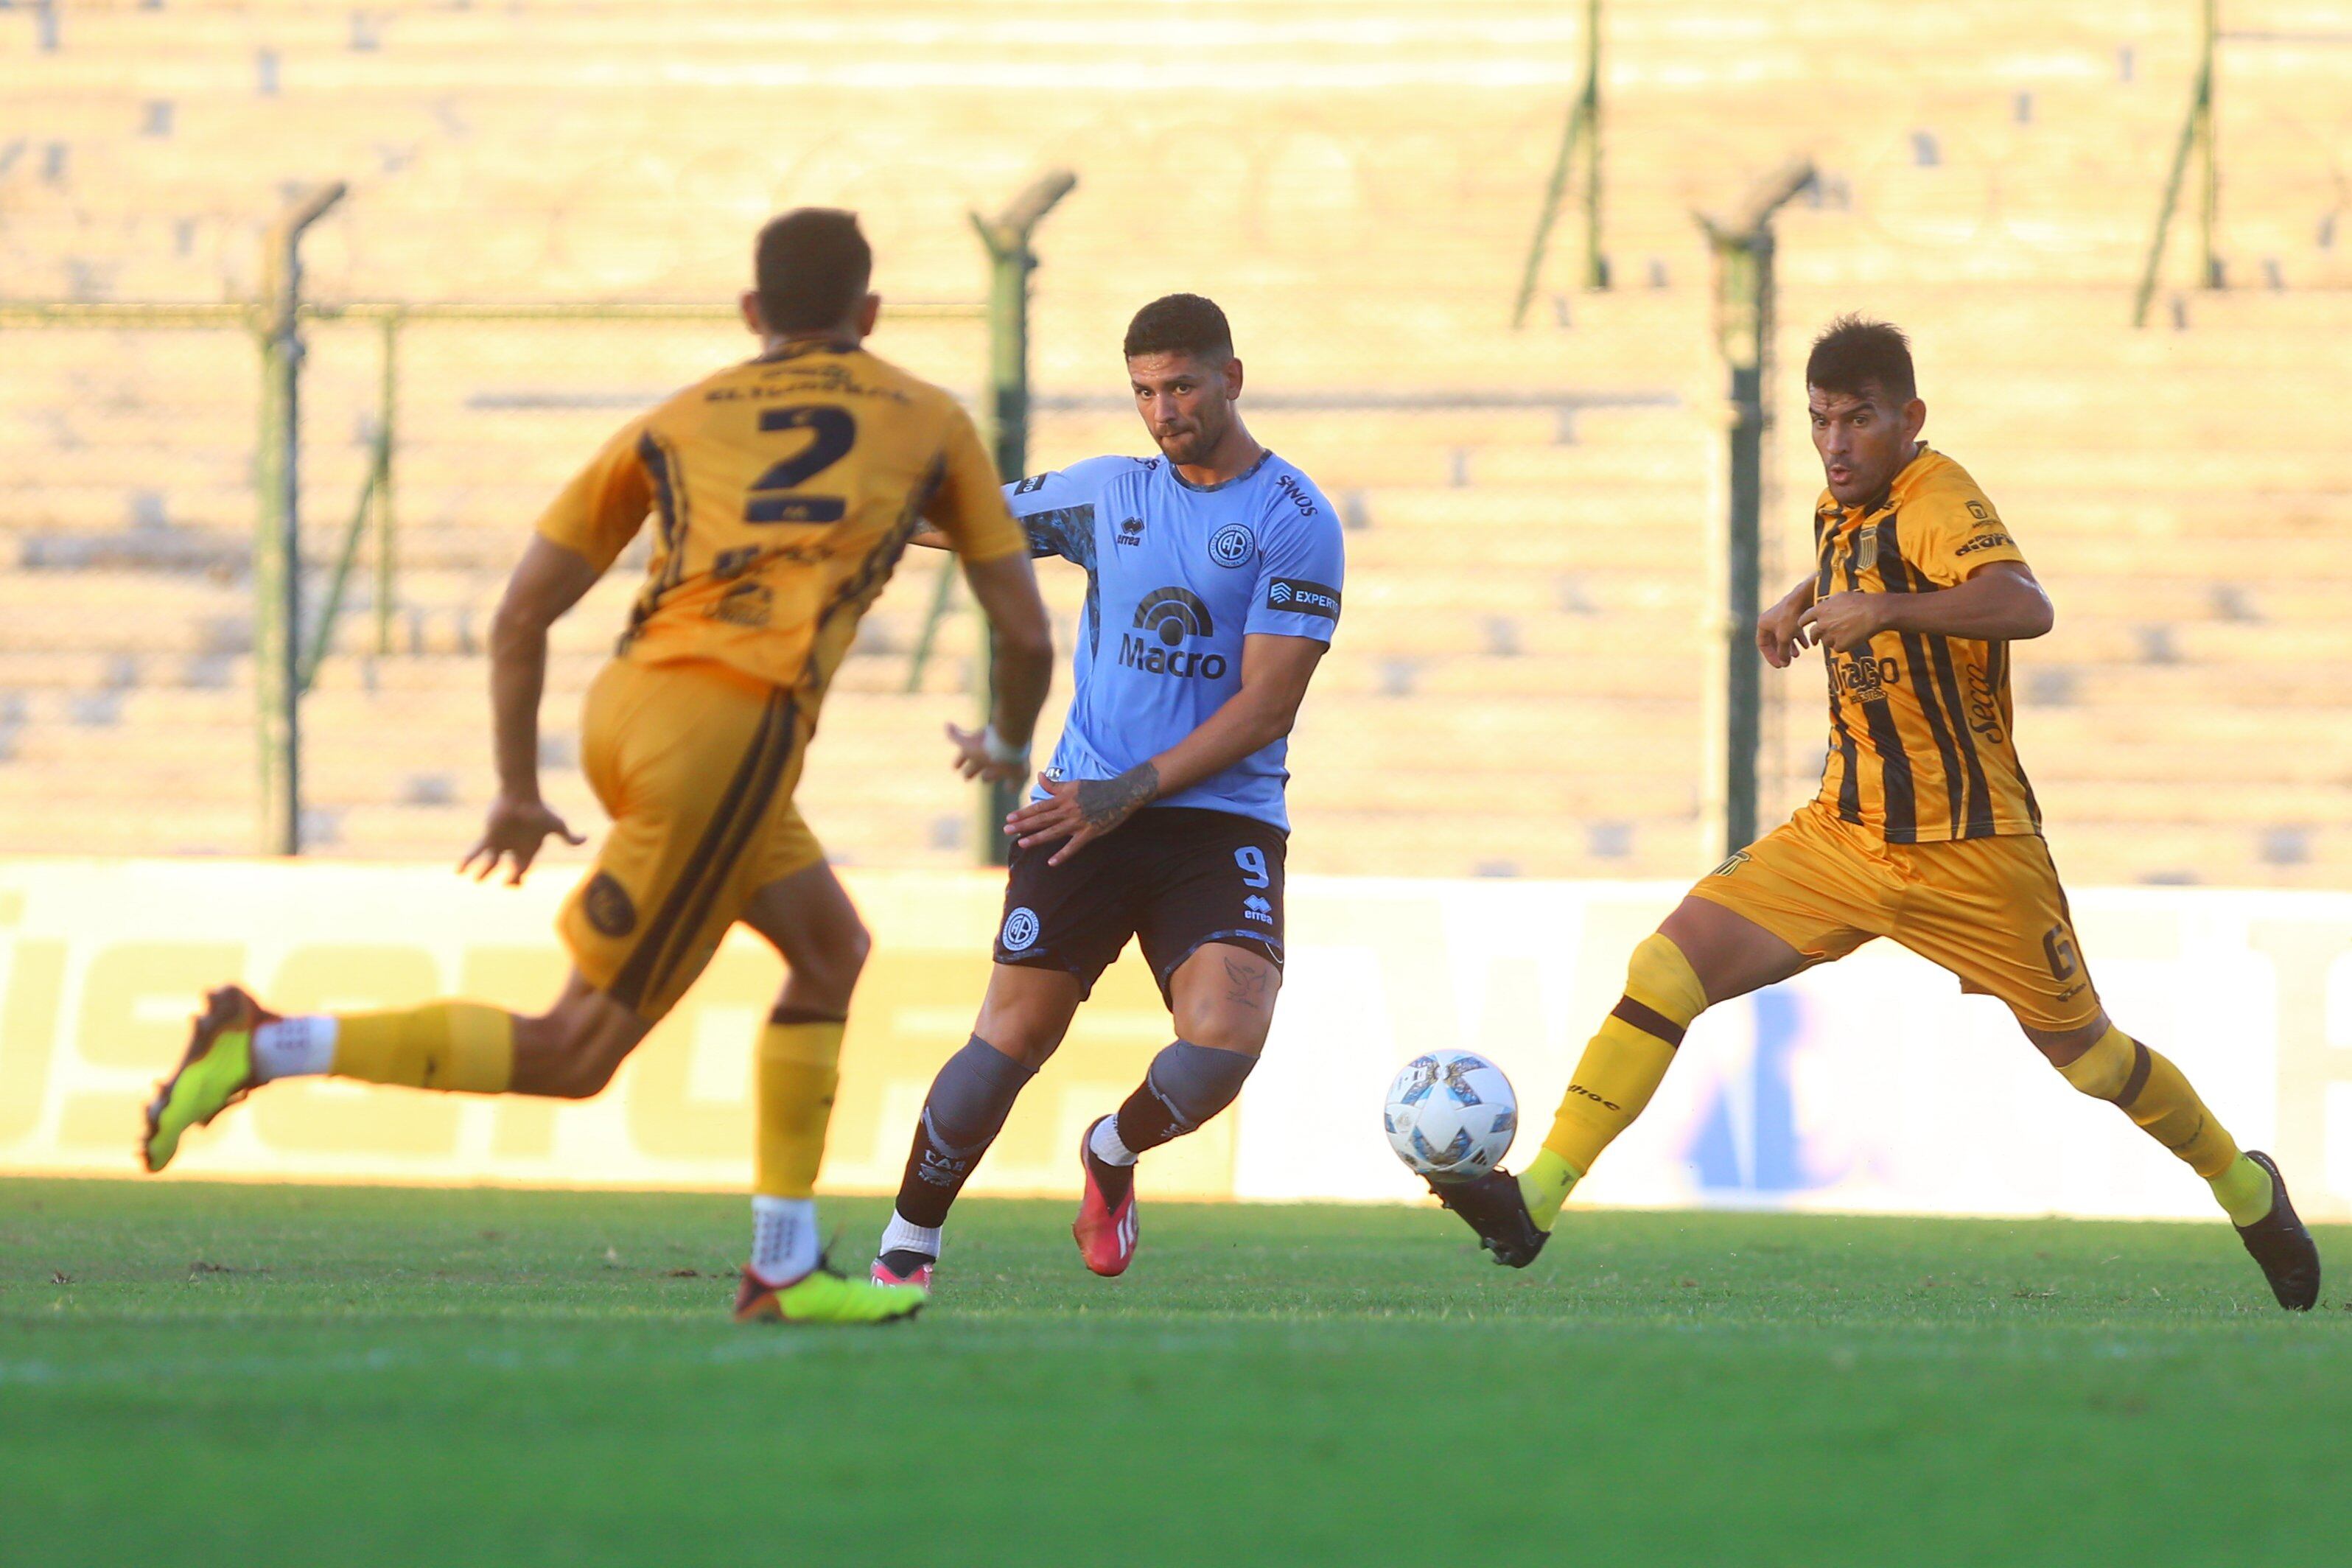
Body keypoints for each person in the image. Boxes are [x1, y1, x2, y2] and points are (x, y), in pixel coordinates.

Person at [139, 209, 1055, 1326]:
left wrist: (520, 788)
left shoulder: (677, 419)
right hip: (735, 729)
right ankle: (265, 1042)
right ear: (870, 315)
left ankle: (783, 1261)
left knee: (829, 949)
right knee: (575, 1051)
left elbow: (520, 614)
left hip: (631, 708)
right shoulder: (927, 420)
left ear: (751, 314)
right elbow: (1025, 633)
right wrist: (1008, 744)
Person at [1431, 315, 2321, 1312]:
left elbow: (2025, 604)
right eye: (1821, 421)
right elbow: (1866, 560)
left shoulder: (1942, 495)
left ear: (1912, 419)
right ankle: (1535, 1203)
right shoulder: (1842, 507)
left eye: (1858, 420)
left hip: (1974, 850)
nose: (1837, 442)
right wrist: (1801, 597)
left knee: (2094, 1061)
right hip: (1845, 833)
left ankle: (2247, 1191)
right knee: (1664, 967)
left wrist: (1886, 612)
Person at [870, 293, 1344, 1287]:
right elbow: (964, 522)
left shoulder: (1293, 520)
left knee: (1222, 1046)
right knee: (1011, 1037)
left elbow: (1265, 708)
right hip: (1082, 807)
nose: (1164, 410)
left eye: (1180, 387)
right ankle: (908, 1243)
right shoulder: (1105, 496)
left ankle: (1112, 1153)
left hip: (1218, 823)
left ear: (1230, 378)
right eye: (1143, 392)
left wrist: (1125, 793)